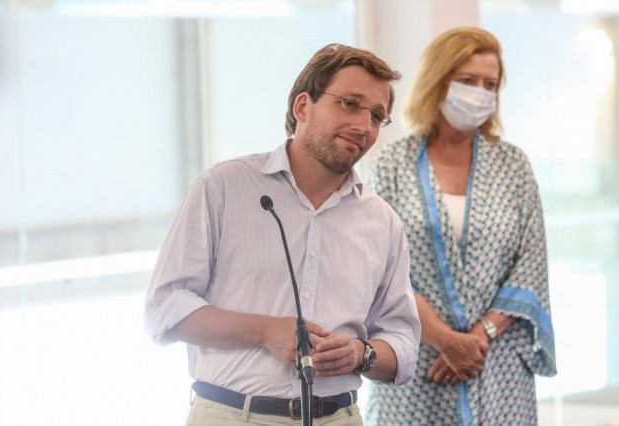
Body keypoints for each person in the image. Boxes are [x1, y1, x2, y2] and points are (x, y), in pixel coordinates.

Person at [144, 43, 421, 425]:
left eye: (377, 116)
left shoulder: (383, 221)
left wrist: (360, 353)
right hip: (233, 414)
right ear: (303, 106)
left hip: (339, 416)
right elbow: (165, 310)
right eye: (349, 103)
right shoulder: (224, 187)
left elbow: (404, 347)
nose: (363, 125)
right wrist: (265, 331)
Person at [365, 27, 557, 425]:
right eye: (468, 81)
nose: (480, 93)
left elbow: (531, 262)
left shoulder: (513, 166)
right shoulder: (392, 164)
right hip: (419, 357)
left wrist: (477, 339)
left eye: (490, 84)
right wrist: (446, 340)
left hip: (497, 360)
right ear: (439, 81)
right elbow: (380, 268)